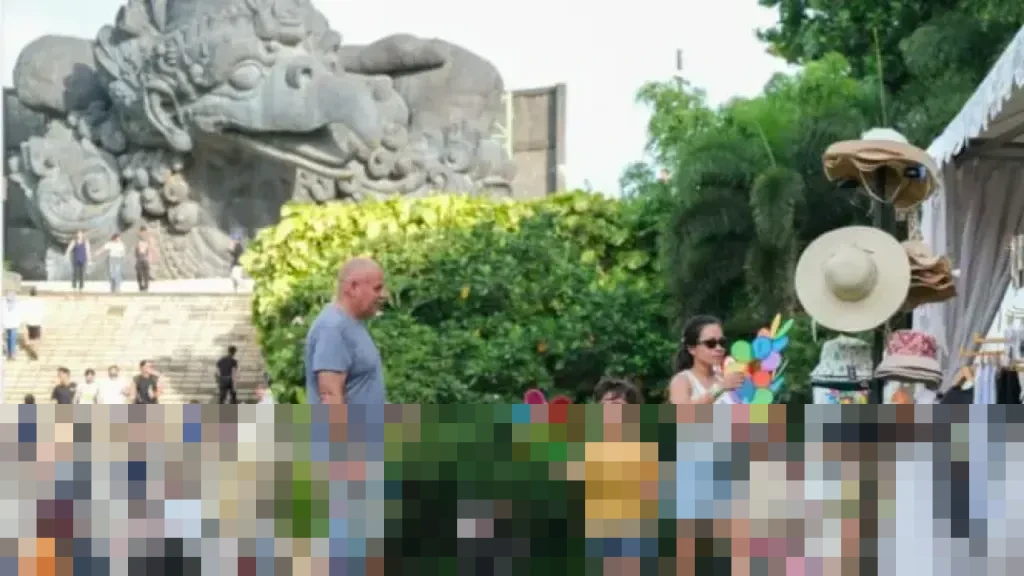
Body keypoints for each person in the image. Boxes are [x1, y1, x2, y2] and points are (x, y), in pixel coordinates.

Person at [305, 257, 388, 404]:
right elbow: (330, 398)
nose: (384, 295)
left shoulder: (351, 323)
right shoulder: (332, 328)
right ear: (353, 287)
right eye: (377, 288)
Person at [667, 315, 744, 404]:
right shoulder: (682, 380)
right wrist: (721, 387)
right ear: (692, 349)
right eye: (710, 343)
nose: (719, 348)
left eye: (722, 342)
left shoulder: (724, 378)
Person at [135, 226, 155, 292]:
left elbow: (151, 247)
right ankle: (141, 286)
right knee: (140, 273)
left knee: (145, 273)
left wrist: (152, 256)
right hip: (140, 257)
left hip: (146, 257)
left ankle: (145, 286)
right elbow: (137, 248)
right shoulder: (140, 238)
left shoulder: (148, 238)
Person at [3, 291, 21, 360]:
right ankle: (12, 354)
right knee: (12, 339)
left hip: (7, 324)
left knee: (8, 339)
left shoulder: (4, 304)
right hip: (13, 324)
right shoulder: (16, 304)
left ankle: (9, 354)